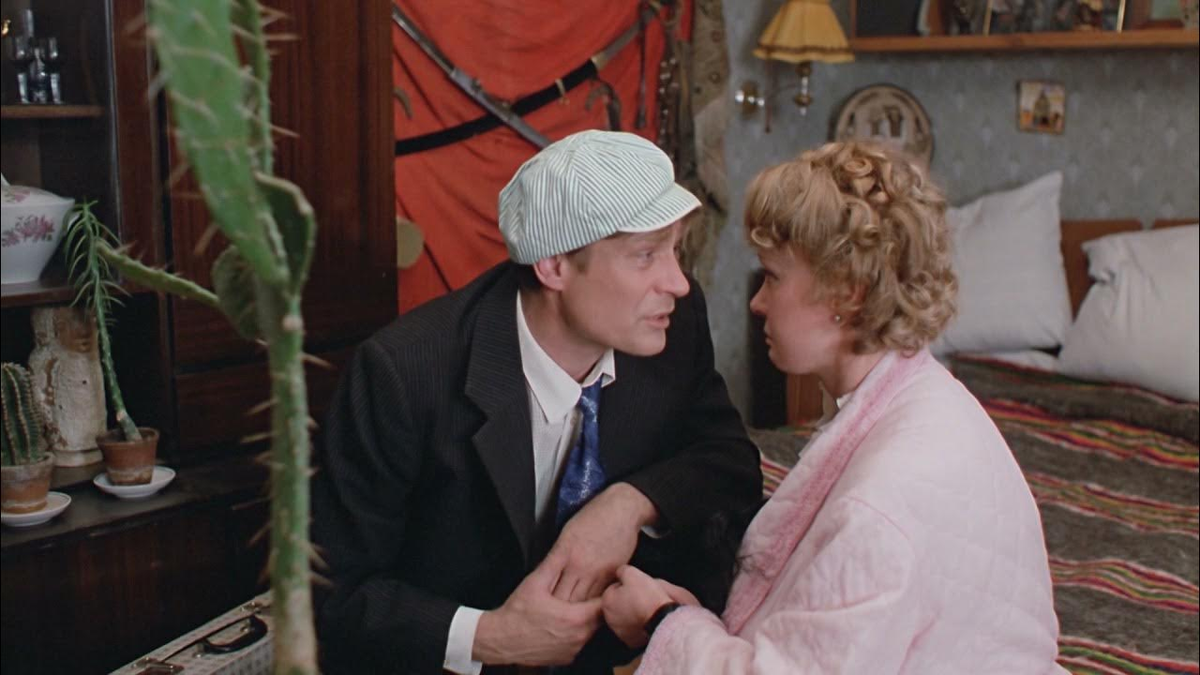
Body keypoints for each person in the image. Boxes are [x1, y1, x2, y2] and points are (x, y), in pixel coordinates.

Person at [601, 142, 1067, 674]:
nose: (756, 302)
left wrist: (662, 622)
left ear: (848, 292)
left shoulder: (880, 504)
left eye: (772, 276)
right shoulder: (924, 399)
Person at [310, 130, 762, 674]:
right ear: (554, 267)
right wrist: (489, 637)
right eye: (646, 255)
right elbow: (330, 595)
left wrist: (627, 505)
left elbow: (729, 459)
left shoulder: (671, 324)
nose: (678, 283)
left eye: (676, 250)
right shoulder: (403, 372)